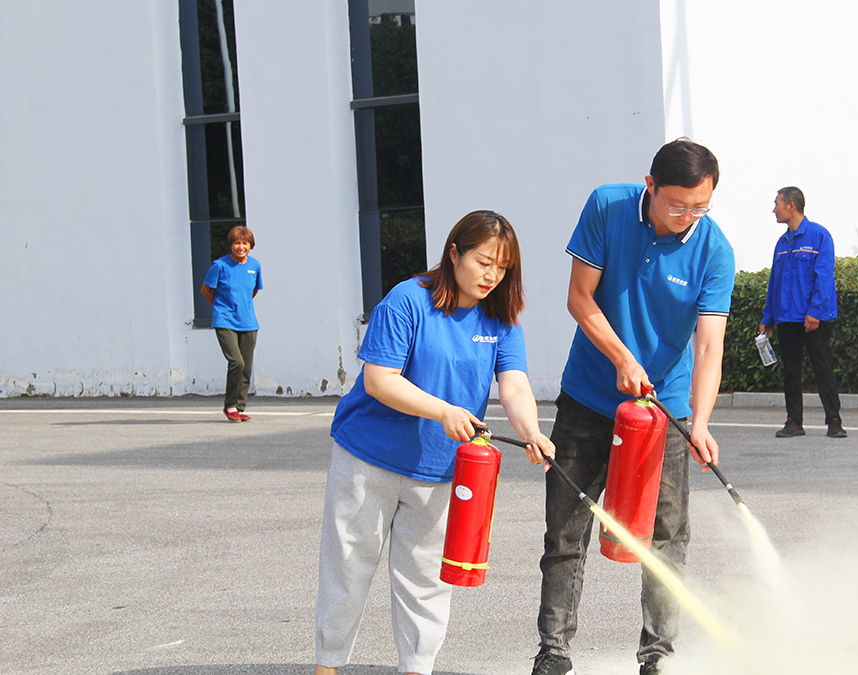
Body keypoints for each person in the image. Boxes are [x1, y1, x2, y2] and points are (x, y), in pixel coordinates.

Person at [313, 211, 555, 675]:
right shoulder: (407, 301)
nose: (492, 275)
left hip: (443, 469)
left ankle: (417, 669)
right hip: (369, 458)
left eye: (503, 268)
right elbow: (381, 381)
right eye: (484, 261)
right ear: (454, 252)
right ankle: (328, 666)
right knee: (347, 567)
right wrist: (442, 410)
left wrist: (531, 431)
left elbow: (515, 385)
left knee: (426, 579)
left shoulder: (500, 317)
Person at [532, 139, 735, 675]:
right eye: (677, 204)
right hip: (588, 398)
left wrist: (701, 423)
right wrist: (622, 356)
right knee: (566, 529)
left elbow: (709, 345)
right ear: (650, 187)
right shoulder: (607, 206)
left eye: (701, 207)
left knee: (666, 535)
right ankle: (553, 652)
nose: (688, 218)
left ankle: (657, 655)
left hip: (663, 411)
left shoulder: (715, 250)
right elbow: (579, 298)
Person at [758, 187, 847, 439]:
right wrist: (768, 318)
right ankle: (794, 422)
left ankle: (834, 421)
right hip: (786, 318)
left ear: (791, 206)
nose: (774, 209)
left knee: (823, 369)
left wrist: (815, 312)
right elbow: (775, 282)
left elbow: (824, 276)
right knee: (791, 371)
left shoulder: (819, 236)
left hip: (813, 319)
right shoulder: (782, 242)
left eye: (777, 204)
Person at [201, 226, 263, 422]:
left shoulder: (255, 265)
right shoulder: (219, 266)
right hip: (225, 320)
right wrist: (222, 308)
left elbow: (253, 291)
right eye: (237, 243)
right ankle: (229, 405)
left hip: (249, 322)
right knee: (236, 362)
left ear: (250, 245)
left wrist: (241, 306)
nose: (241, 247)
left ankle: (240, 407)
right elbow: (206, 290)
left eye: (245, 243)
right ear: (231, 245)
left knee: (246, 366)